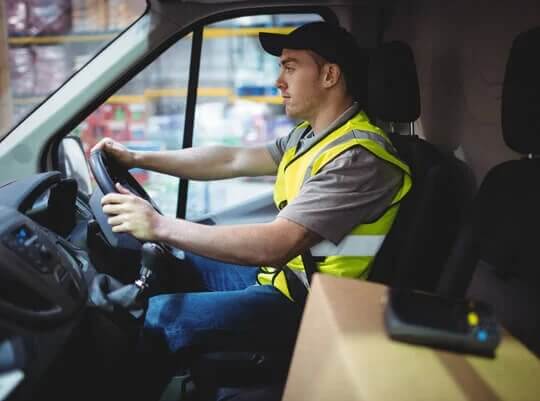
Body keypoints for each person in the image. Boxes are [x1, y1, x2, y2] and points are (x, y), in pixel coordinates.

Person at [92, 21, 411, 398]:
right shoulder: (310, 136)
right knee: (178, 260)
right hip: (285, 279)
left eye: (290, 67)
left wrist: (159, 225)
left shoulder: (357, 156)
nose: (279, 80)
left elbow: (276, 244)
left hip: (313, 307)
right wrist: (138, 158)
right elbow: (231, 158)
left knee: (163, 316)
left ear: (329, 75)